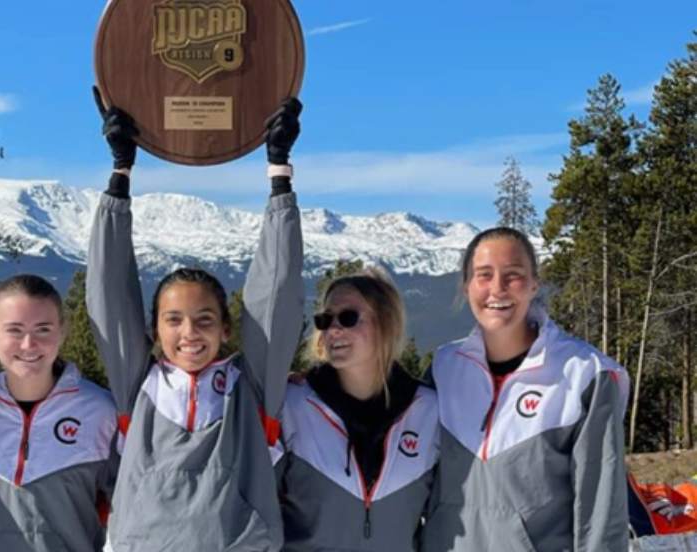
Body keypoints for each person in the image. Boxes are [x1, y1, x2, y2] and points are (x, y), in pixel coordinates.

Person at [86, 89, 305, 552]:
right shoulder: (139, 385)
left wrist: (279, 172)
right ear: (152, 331)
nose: (190, 332)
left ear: (227, 328)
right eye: (174, 320)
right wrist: (119, 174)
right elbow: (108, 292)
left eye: (205, 318)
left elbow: (277, 295)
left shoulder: (251, 390)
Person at [421, 227, 630, 551]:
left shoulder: (584, 374)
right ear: (466, 285)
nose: (497, 289)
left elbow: (601, 510)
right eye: (484, 275)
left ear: (535, 283)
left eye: (513, 275)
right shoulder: (443, 368)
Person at [0, 274, 117, 552]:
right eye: (14, 330)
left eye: (43, 329)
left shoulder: (99, 409)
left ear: (62, 331)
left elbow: (128, 506)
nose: (28, 344)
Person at [276, 268, 440, 551]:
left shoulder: (429, 411)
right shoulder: (293, 405)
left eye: (349, 318)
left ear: (386, 323)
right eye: (325, 320)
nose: (334, 329)